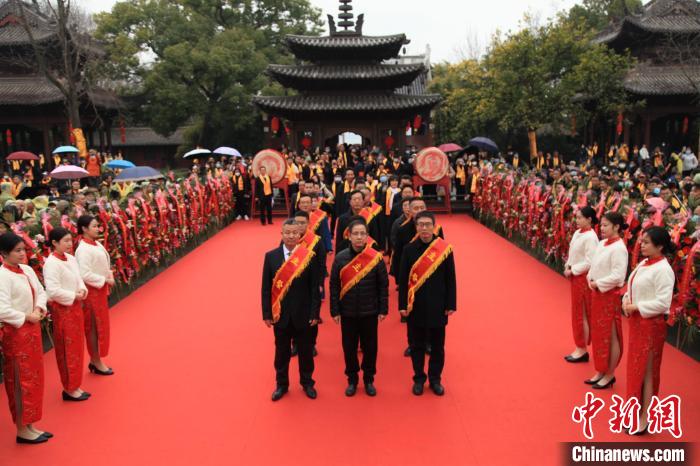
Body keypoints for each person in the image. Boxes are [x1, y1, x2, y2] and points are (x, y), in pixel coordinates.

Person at [622, 227, 676, 435]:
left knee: (647, 372)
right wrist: (627, 299)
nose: (641, 245)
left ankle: (644, 418)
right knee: (636, 369)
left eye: (646, 242)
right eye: (641, 241)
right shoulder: (645, 263)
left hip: (651, 326)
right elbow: (632, 285)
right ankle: (635, 412)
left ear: (660, 246)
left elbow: (663, 303)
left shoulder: (664, 270)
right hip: (638, 324)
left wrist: (636, 307)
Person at [0, 232, 52, 444]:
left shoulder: (28, 269)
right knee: (20, 380)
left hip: (32, 329)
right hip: (16, 334)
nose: (23, 254)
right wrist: (25, 316)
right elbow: (2, 309)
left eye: (24, 249)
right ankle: (22, 428)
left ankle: (31, 424)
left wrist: (39, 307)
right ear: (3, 253)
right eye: (18, 251)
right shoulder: (2, 276)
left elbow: (41, 291)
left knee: (35, 378)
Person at [261, 219, 321, 401]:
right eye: (287, 232)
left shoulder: (309, 256)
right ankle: (281, 384)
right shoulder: (271, 256)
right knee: (281, 353)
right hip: (281, 315)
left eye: (295, 233)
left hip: (304, 315)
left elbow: (314, 289)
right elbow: (265, 288)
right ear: (282, 234)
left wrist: (314, 313)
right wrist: (267, 314)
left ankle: (307, 383)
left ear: (300, 235)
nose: (291, 236)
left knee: (305, 352)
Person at [398, 211, 457, 396]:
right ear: (416, 227)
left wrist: (451, 304)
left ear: (434, 226)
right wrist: (402, 306)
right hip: (415, 306)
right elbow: (403, 279)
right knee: (417, 346)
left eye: (427, 225)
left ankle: (435, 379)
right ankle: (419, 378)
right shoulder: (408, 250)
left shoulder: (444, 249)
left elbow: (451, 279)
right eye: (420, 225)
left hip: (438, 306)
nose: (424, 228)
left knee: (438, 347)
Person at [330, 218, 389, 397]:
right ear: (349, 236)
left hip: (369, 312)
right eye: (355, 234)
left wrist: (383, 309)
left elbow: (383, 286)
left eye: (362, 234)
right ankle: (352, 379)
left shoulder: (375, 257)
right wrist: (334, 310)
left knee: (371, 348)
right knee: (349, 348)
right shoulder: (340, 258)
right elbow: (334, 285)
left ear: (367, 236)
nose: (359, 237)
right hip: (347, 312)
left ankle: (369, 379)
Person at [43, 227, 91, 401]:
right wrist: (73, 295)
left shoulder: (70, 258)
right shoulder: (51, 264)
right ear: (54, 243)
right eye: (65, 241)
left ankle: (76, 384)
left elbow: (79, 278)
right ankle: (69, 388)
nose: (70, 244)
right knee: (67, 349)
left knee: (77, 347)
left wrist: (82, 289)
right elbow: (53, 290)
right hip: (63, 311)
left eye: (71, 240)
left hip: (76, 308)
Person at [586, 211, 629, 389]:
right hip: (597, 293)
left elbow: (618, 276)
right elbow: (594, 264)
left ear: (617, 227)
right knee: (598, 334)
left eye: (605, 225)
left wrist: (598, 283)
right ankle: (600, 370)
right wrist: (590, 278)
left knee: (610, 336)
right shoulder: (603, 243)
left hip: (609, 296)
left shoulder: (620, 248)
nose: (601, 228)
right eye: (601, 225)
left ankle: (610, 373)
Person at [75, 215, 115, 376]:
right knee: (93, 327)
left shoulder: (96, 244)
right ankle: (96, 360)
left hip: (100, 291)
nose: (98, 229)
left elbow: (103, 263)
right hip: (91, 294)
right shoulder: (82, 249)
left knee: (101, 326)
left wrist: (108, 275)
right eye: (94, 226)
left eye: (98, 226)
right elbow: (84, 274)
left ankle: (95, 359)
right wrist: (104, 279)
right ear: (84, 229)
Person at [563, 207, 599, 363]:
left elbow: (591, 261)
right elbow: (573, 253)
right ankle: (579, 346)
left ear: (590, 219)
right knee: (577, 312)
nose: (576, 220)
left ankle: (582, 348)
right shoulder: (578, 233)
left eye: (580, 218)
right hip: (575, 276)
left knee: (582, 313)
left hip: (583, 279)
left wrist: (574, 270)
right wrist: (568, 265)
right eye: (576, 217)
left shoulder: (591, 237)